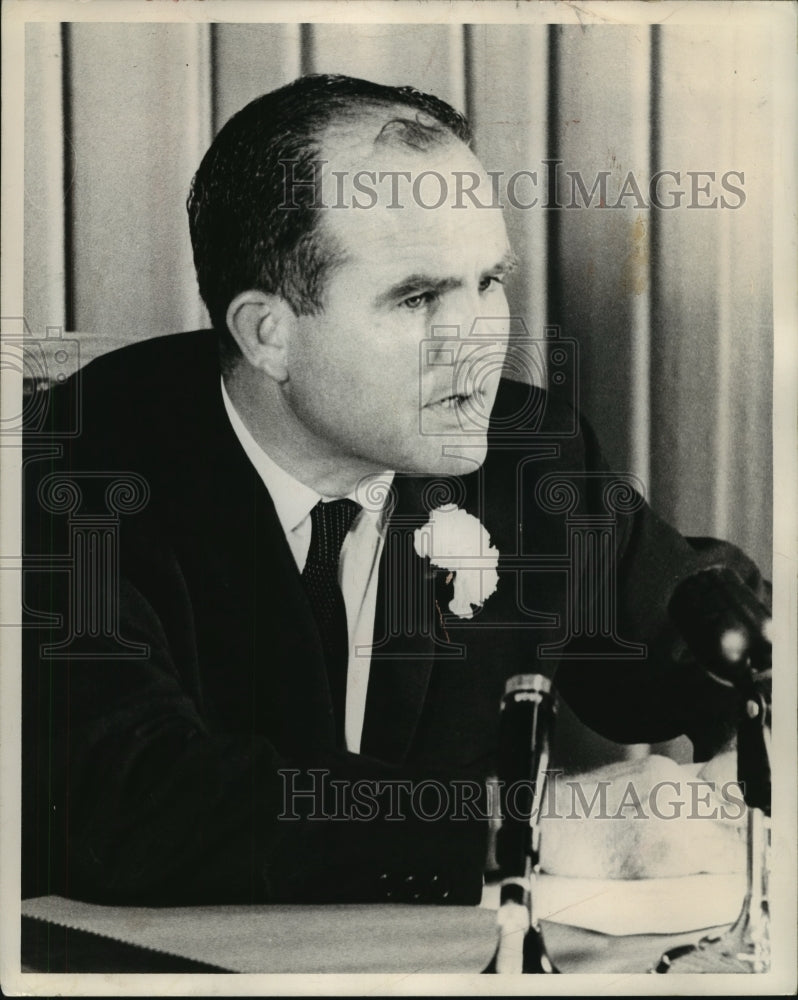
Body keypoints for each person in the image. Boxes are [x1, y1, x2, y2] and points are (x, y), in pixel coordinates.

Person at [22, 74, 767, 906]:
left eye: (488, 282)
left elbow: (706, 638)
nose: (480, 344)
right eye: (417, 298)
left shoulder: (530, 457)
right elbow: (127, 797)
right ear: (267, 334)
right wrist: (520, 824)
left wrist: (762, 730)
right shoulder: (71, 473)